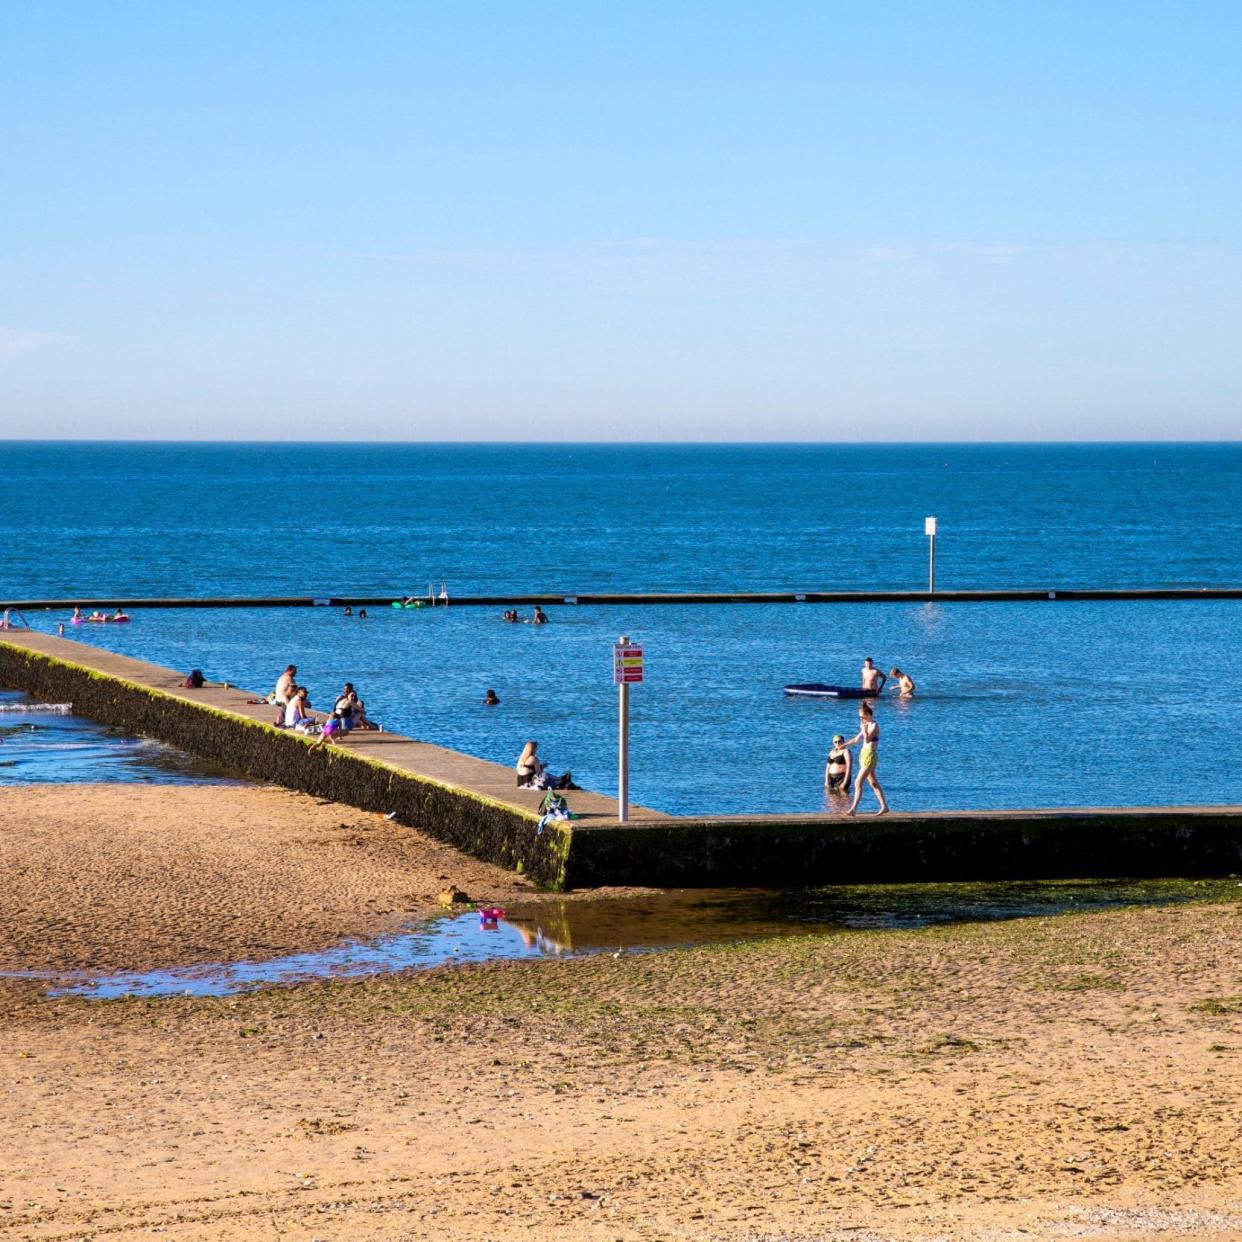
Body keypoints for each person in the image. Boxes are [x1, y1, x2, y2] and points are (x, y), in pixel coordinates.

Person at [841, 702, 889, 815]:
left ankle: (853, 809)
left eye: (862, 717)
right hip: (863, 755)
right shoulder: (866, 725)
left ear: (868, 714)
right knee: (873, 783)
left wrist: (863, 728)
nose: (861, 719)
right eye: (860, 717)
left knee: (857, 783)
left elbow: (867, 740)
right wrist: (843, 745)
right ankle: (884, 806)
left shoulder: (874, 725)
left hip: (870, 756)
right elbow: (857, 739)